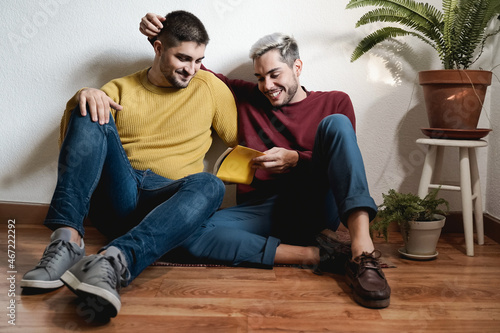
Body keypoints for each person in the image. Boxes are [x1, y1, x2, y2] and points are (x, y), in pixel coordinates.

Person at [140, 14, 391, 309]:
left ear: (297, 67)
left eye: (275, 74)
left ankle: (362, 253)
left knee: (336, 125)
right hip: (261, 212)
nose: (267, 85)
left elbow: (342, 163)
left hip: (315, 203)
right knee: (183, 232)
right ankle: (317, 255)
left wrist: (296, 159)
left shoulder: (334, 102)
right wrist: (156, 35)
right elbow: (195, 67)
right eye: (260, 77)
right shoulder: (248, 97)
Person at [20, 10, 238, 319]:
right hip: (119, 194)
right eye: (184, 58)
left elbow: (241, 136)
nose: (192, 69)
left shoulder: (210, 87)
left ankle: (112, 260)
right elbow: (78, 151)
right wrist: (81, 97)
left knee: (210, 184)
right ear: (158, 47)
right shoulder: (120, 89)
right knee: (89, 102)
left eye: (199, 60)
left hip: (167, 203)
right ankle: (67, 242)